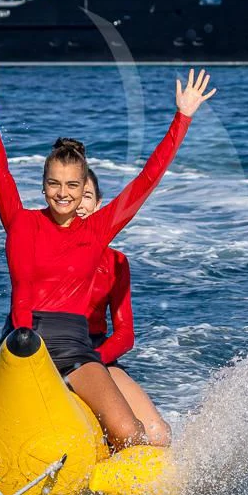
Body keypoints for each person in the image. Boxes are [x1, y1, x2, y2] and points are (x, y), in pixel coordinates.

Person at [0, 56, 211, 449]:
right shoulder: (21, 221)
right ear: (43, 186)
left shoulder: (97, 230)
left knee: (129, 433)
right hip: (20, 343)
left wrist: (182, 118)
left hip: (73, 348)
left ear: (85, 191)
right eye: (54, 183)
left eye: (72, 185)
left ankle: (101, 485)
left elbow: (146, 179)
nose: (63, 193)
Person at [77, 168, 172, 446]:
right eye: (74, 194)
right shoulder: (44, 247)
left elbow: (125, 334)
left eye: (87, 195)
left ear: (98, 205)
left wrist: (93, 360)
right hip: (46, 348)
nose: (80, 203)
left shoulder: (116, 262)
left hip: (96, 353)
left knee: (157, 433)